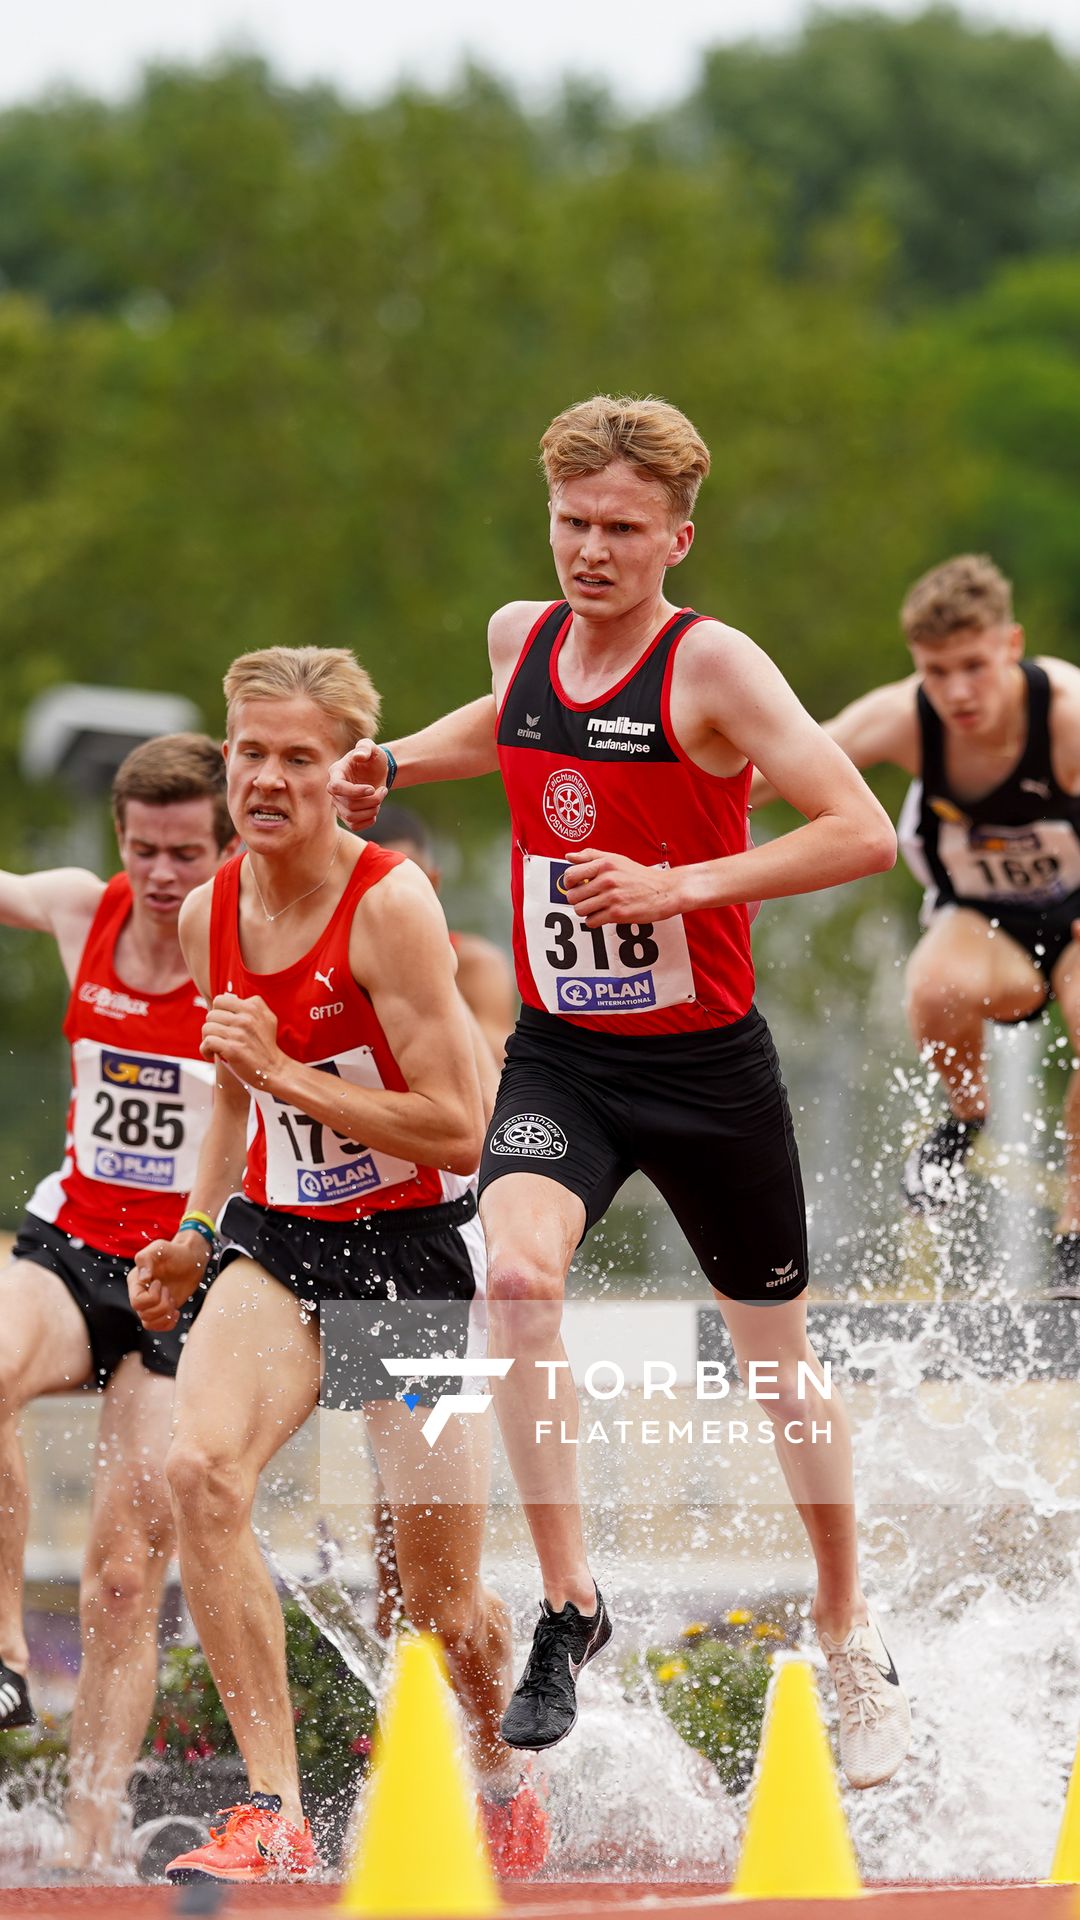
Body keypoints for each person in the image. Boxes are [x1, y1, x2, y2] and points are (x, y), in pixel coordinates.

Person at [326, 393, 912, 1790]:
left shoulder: (715, 670)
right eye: (573, 523)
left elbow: (864, 830)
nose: (592, 551)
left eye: (622, 532)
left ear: (677, 539)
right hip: (565, 1056)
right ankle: (574, 1604)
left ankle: (844, 1620)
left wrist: (682, 882)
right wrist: (402, 759)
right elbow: (513, 726)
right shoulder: (517, 634)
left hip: (708, 1069)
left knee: (778, 1367)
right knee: (515, 1285)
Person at [128, 646, 547, 1885]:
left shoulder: (390, 905)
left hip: (414, 1255)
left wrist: (288, 1077)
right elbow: (227, 1096)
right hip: (283, 1238)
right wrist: (196, 1233)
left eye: (296, 759)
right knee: (199, 1470)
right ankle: (274, 1806)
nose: (264, 779)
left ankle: (499, 1771)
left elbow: (462, 1126)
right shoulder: (211, 909)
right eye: (247, 754)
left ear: (343, 774)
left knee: (440, 1609)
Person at [0, 733, 236, 1869]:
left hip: (185, 1277)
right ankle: (3, 1651)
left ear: (224, 849)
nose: (161, 875)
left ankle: (91, 1839)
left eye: (186, 852)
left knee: (123, 1572)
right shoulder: (74, 908)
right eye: (144, 849)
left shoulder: (251, 949)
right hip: (73, 1243)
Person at [751, 552, 1080, 1297]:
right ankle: (965, 1120)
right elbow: (776, 769)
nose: (958, 693)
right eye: (936, 671)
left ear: (1013, 646)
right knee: (932, 988)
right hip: (986, 916)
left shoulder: (1066, 714)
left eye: (974, 666)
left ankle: (1075, 1235)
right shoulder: (902, 717)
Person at [363, 802, 516, 1636]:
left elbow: (481, 1093)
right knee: (388, 1492)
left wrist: (420, 973)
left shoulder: (476, 969)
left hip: (449, 1235)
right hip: (358, 1231)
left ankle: (468, 1676)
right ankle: (403, 1663)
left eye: (405, 882)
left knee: (420, 1496)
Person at [366, 804, 516, 1069]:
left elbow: (499, 1067)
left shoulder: (476, 964)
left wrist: (431, 973)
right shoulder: (330, 964)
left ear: (433, 883)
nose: (394, 899)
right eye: (376, 885)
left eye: (407, 882)